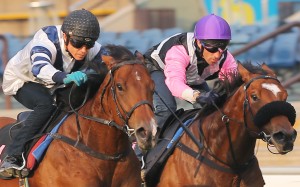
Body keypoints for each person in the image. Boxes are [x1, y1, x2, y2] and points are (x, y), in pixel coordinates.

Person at [0, 9, 102, 173]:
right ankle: (12, 156)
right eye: (78, 43)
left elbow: (108, 64)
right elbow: (40, 69)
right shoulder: (46, 40)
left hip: (54, 83)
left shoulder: (92, 48)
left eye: (88, 45)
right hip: (23, 80)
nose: (83, 50)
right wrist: (65, 78)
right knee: (46, 105)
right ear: (65, 36)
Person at [143, 13, 237, 129]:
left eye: (223, 46)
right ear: (198, 42)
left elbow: (232, 85)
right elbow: (175, 83)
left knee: (212, 108)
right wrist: (197, 96)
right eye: (212, 48)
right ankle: (143, 144)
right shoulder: (179, 50)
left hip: (191, 75)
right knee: (167, 110)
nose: (218, 55)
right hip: (158, 69)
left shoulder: (226, 58)